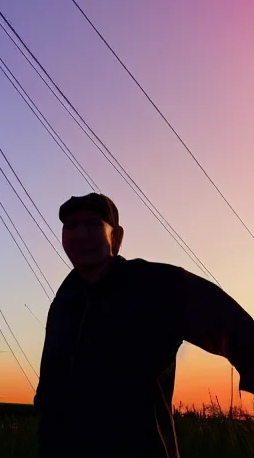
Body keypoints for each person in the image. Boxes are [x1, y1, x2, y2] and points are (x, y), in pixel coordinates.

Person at [34, 193, 254, 457]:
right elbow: (50, 382)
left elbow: (233, 324)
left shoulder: (155, 285)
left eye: (92, 225)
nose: (80, 235)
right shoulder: (64, 301)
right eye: (71, 226)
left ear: (116, 237)